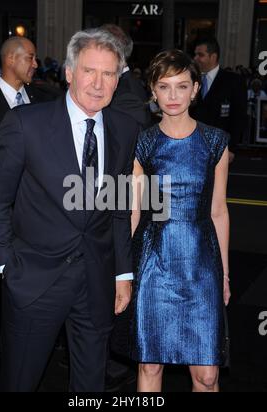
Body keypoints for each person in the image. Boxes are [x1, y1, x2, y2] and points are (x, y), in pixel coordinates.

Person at [0, 28, 138, 392]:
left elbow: (118, 205)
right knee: (19, 382)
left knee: (90, 386)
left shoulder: (126, 129)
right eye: (89, 71)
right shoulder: (26, 124)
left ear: (119, 79)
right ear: (69, 72)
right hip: (33, 280)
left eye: (109, 73)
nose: (98, 83)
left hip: (97, 281)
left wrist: (123, 274)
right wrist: (6, 265)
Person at [130, 50, 231, 392]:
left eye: (181, 86)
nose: (173, 96)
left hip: (201, 266)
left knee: (207, 375)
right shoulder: (143, 142)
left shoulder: (215, 141)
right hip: (154, 263)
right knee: (150, 364)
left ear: (196, 89)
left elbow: (218, 210)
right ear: (153, 92)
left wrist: (225, 274)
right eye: (164, 86)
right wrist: (124, 273)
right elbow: (134, 210)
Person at [0, 36, 53, 360]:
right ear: (11, 60)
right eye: (30, 58)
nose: (35, 64)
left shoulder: (41, 101)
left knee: (30, 276)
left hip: (35, 213)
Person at [191, 36, 247, 163]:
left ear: (213, 57)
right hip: (192, 148)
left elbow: (239, 117)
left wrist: (231, 148)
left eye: (200, 55)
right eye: (195, 54)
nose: (195, 58)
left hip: (219, 149)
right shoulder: (191, 80)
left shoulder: (233, 81)